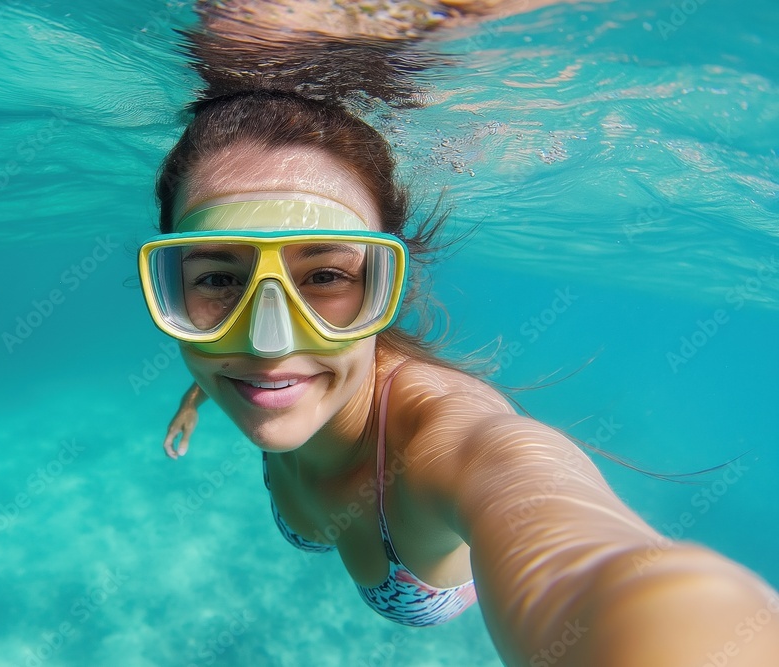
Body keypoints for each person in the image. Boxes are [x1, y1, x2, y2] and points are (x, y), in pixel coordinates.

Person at [138, 33, 779, 667]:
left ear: (386, 288)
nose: (266, 344)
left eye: (326, 276)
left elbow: (592, 559)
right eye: (217, 280)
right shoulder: (263, 366)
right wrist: (195, 398)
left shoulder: (446, 436)